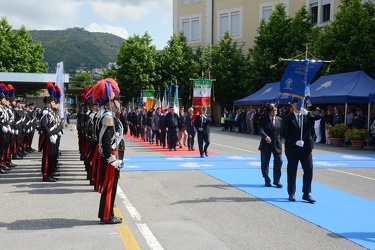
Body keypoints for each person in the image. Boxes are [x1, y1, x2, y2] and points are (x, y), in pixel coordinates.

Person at [91, 78, 124, 224]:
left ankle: (107, 213)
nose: (119, 102)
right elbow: (105, 141)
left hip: (112, 156)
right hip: (111, 157)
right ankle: (107, 216)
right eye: (117, 99)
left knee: (110, 186)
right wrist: (112, 159)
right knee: (109, 187)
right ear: (111, 100)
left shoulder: (106, 115)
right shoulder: (108, 117)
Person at [282, 98, 321, 203]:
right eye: (296, 104)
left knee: (308, 170)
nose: (298, 106)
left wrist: (307, 113)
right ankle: (291, 192)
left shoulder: (307, 116)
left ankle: (306, 193)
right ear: (292, 106)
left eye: (299, 104)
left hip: (306, 148)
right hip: (292, 148)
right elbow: (284, 133)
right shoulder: (288, 118)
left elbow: (319, 116)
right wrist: (295, 141)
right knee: (292, 170)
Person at [258, 103, 283, 188]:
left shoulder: (279, 120)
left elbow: (281, 132)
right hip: (266, 144)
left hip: (277, 144)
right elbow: (260, 130)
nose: (275, 111)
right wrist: (266, 137)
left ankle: (277, 180)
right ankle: (267, 179)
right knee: (265, 163)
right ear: (269, 112)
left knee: (279, 161)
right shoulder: (263, 120)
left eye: (276, 110)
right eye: (273, 110)